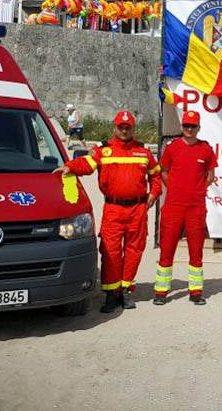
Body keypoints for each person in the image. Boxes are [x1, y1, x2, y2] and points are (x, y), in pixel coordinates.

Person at [54, 110, 161, 313]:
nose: (124, 130)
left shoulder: (143, 151)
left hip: (138, 210)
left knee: (134, 251)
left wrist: (154, 193)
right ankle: (111, 294)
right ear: (114, 128)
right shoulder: (103, 150)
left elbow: (156, 175)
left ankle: (126, 291)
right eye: (121, 127)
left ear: (133, 129)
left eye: (128, 127)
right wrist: (70, 167)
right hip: (113, 209)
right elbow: (86, 163)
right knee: (110, 252)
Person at [154, 110, 218, 305]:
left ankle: (196, 292)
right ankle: (161, 291)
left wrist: (197, 191)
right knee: (167, 249)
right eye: (186, 125)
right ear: (181, 127)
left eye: (193, 126)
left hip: (195, 207)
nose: (189, 129)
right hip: (173, 206)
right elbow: (164, 172)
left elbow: (210, 176)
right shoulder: (172, 148)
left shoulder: (206, 150)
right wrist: (174, 188)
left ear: (198, 128)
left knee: (196, 250)